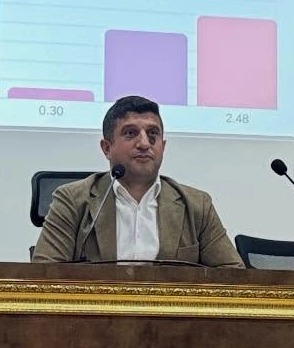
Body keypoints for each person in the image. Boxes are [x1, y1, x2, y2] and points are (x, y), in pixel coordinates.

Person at [32, 95, 244, 268]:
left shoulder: (197, 205)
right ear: (107, 148)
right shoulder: (72, 200)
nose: (144, 143)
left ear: (163, 146)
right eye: (131, 133)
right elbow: (44, 273)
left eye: (152, 134)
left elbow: (233, 275)